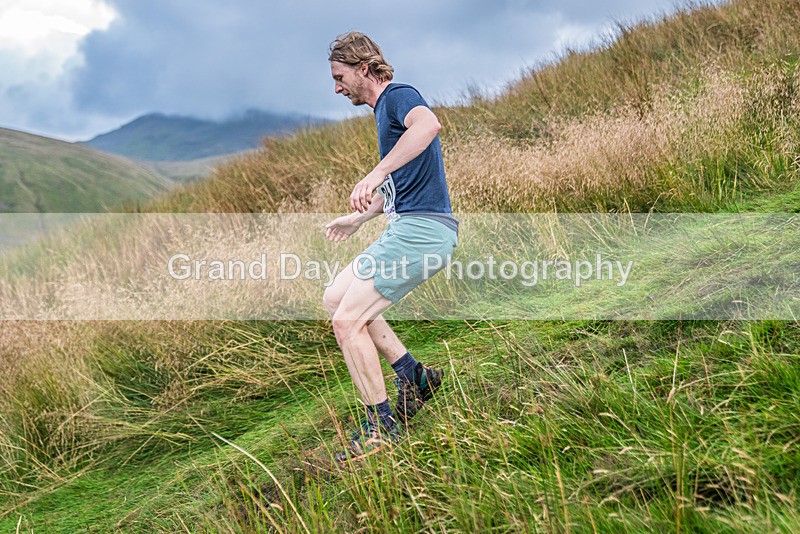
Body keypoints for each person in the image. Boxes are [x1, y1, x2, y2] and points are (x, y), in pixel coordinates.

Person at [323, 31, 459, 462]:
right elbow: (404, 185)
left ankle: (381, 425)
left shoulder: (399, 96)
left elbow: (429, 124)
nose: (337, 87)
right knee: (334, 300)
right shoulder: (384, 112)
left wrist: (373, 173)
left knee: (348, 323)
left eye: (340, 76)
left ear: (363, 69)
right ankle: (413, 376)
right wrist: (359, 217)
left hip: (422, 233)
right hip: (408, 228)